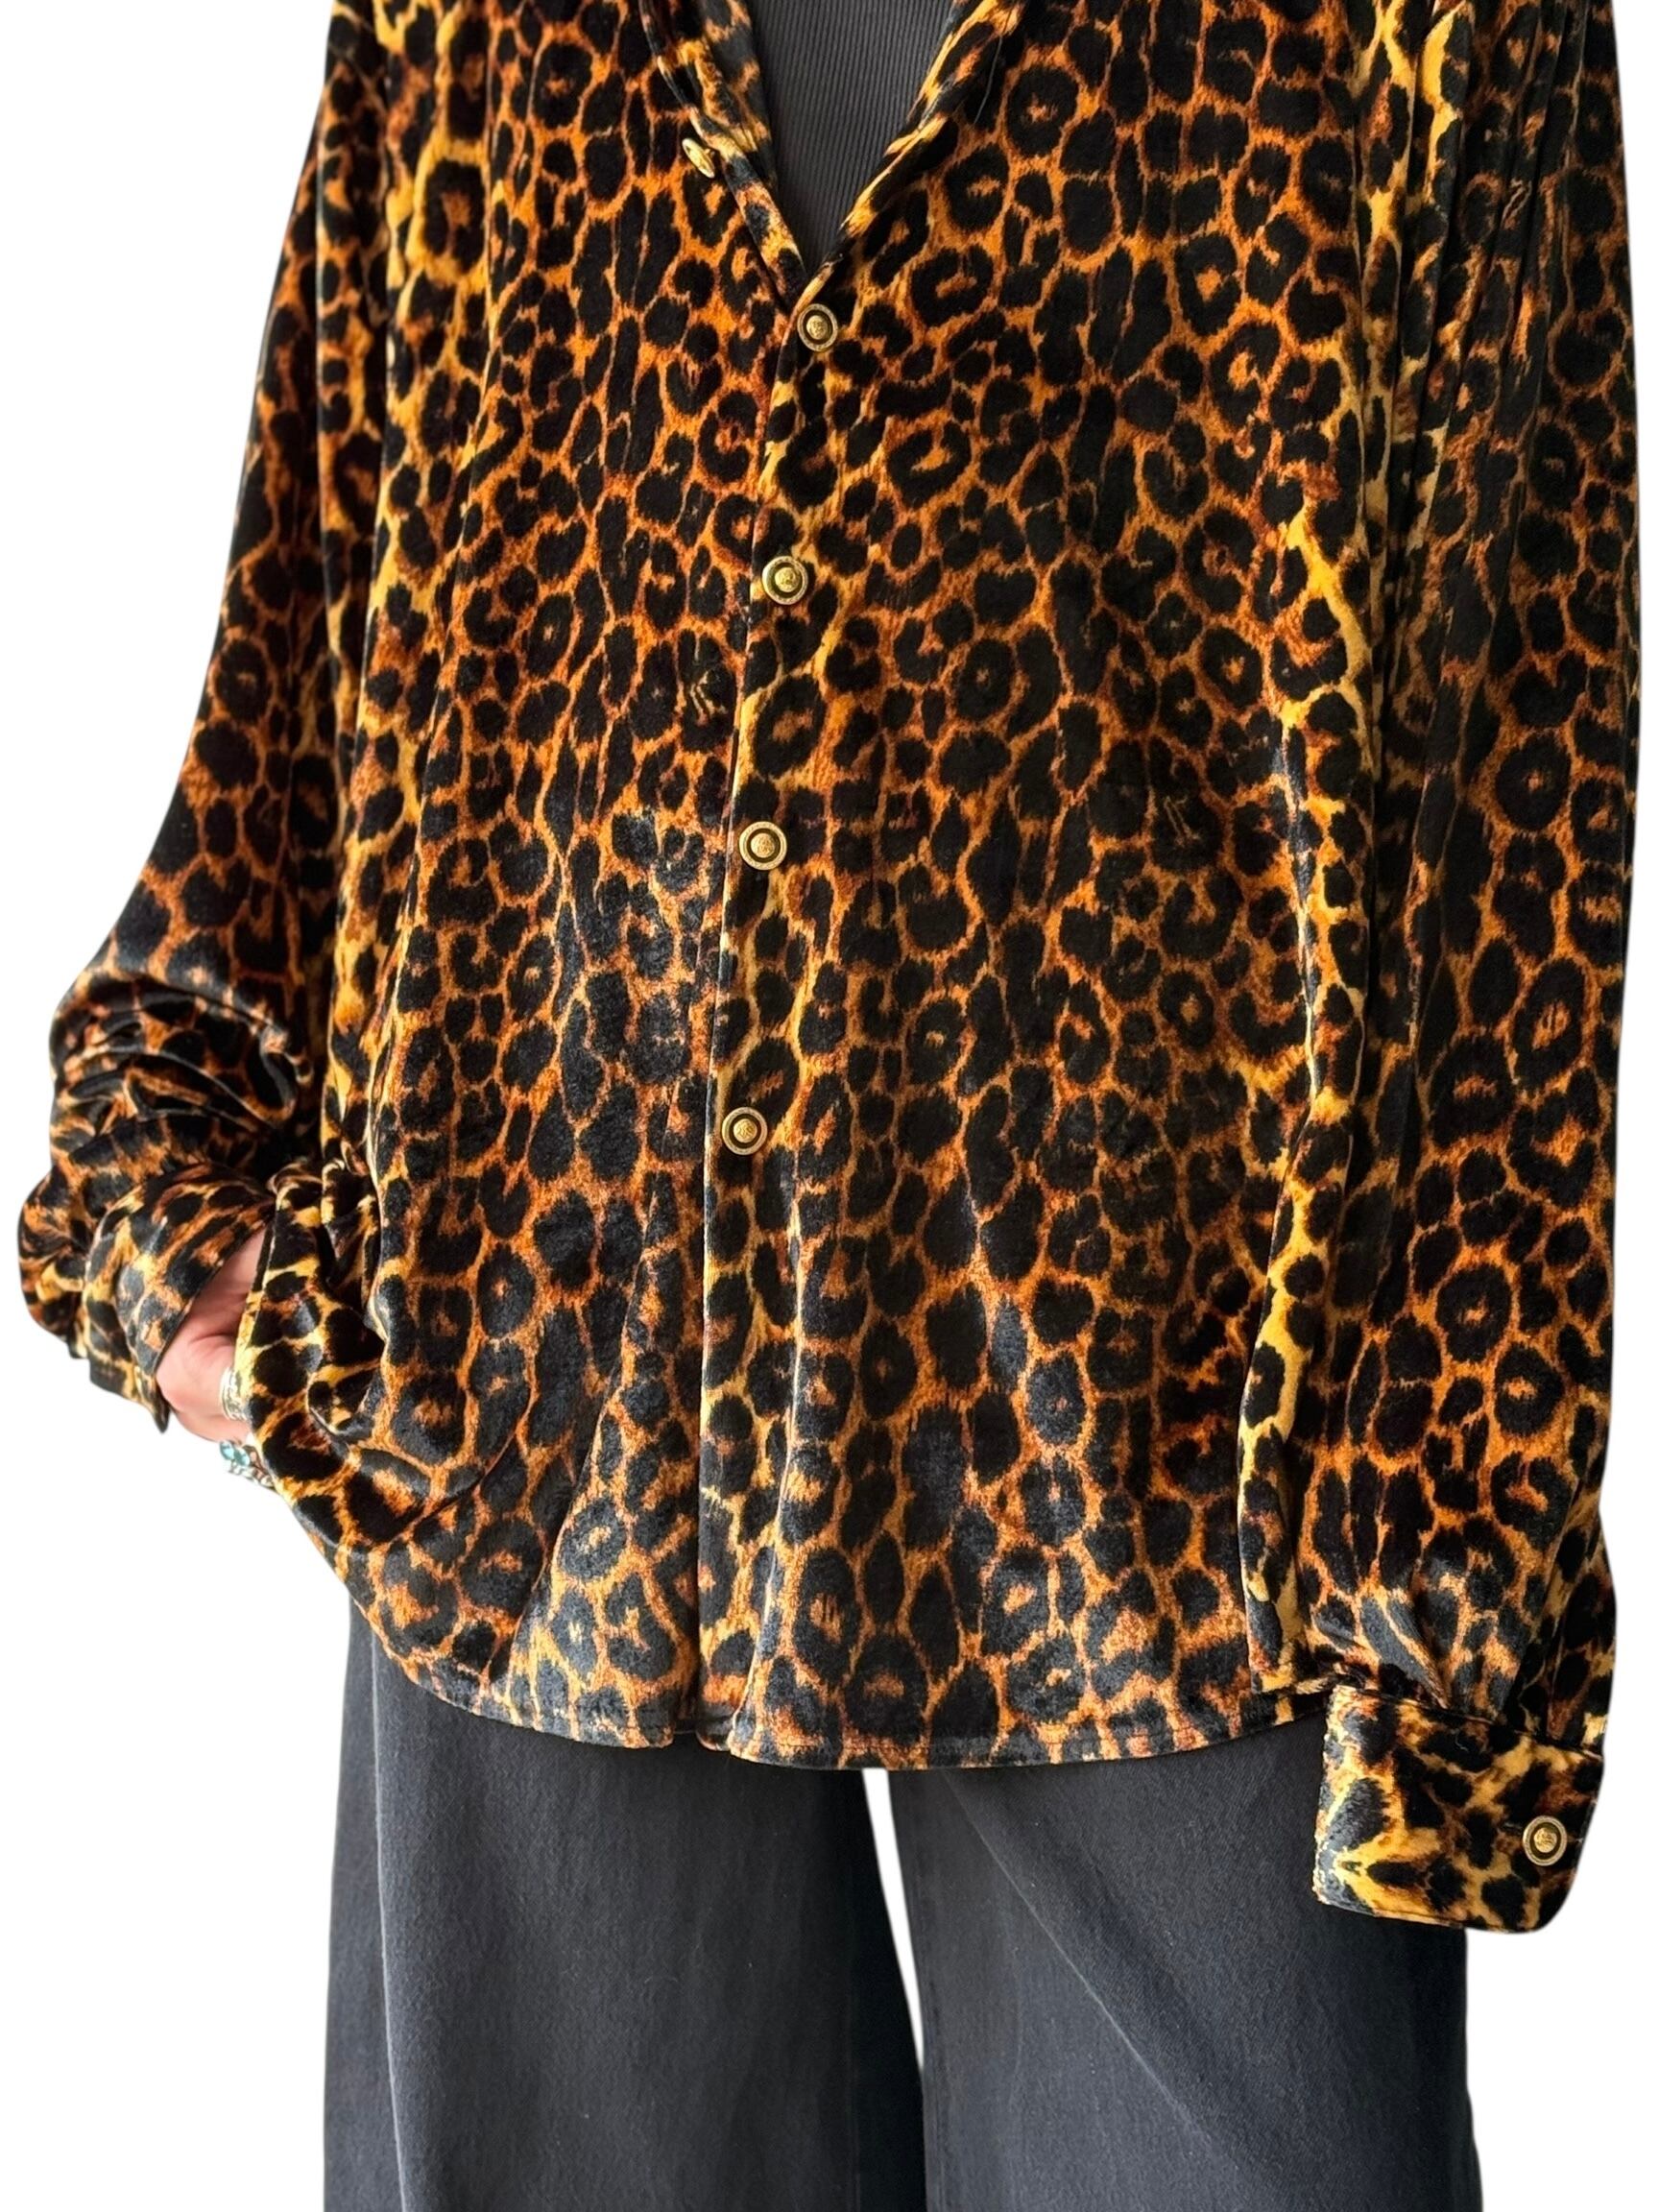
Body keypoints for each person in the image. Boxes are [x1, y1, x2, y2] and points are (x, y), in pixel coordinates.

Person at [16, 2, 1638, 2207]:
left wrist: (1451, 1558)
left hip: (1174, 1482)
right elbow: (321, 571)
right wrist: (175, 1196)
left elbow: (1514, 797)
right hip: (536, 1416)